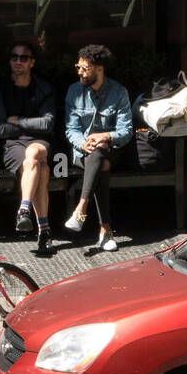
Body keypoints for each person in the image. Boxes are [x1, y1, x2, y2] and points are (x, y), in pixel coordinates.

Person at [63, 44, 132, 252]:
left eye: (85, 68)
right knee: (99, 159)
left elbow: (126, 131)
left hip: (113, 150)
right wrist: (83, 142)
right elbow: (71, 129)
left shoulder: (119, 92)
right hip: (82, 152)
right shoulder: (74, 92)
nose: (79, 72)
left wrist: (106, 136)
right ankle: (105, 230)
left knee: (101, 149)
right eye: (79, 66)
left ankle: (81, 210)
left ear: (99, 69)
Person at [0, 39, 55, 253]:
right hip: (13, 146)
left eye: (23, 58)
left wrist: (18, 121)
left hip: (38, 143)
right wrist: (31, 125)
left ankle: (24, 210)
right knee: (40, 170)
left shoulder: (43, 88)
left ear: (32, 62)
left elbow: (48, 123)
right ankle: (44, 231)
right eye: (14, 57)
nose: (18, 62)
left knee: (34, 152)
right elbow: (0, 130)